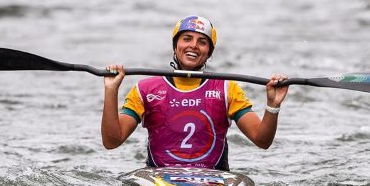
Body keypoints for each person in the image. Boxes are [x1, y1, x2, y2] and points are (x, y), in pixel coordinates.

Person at [101, 15, 288, 171]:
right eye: (187, 39)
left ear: (208, 53)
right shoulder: (145, 89)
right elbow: (112, 141)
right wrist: (111, 90)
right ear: (176, 46)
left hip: (214, 181)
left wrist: (273, 105)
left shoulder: (227, 89)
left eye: (202, 42)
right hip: (160, 177)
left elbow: (262, 141)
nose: (194, 45)